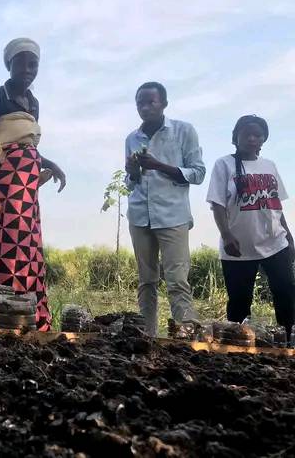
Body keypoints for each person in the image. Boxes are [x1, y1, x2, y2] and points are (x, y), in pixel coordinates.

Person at [0, 38, 66, 331]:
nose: (28, 69)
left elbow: (25, 144)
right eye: (21, 62)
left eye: (33, 63)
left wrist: (49, 162)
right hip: (0, 185)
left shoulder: (33, 103)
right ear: (9, 65)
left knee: (27, 250)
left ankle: (26, 320)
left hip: (25, 192)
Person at [125, 81, 205, 336]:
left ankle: (186, 335)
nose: (145, 108)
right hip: (140, 216)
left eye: (151, 102)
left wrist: (159, 165)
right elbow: (130, 184)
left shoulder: (183, 131)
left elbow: (198, 172)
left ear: (164, 104)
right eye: (140, 103)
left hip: (173, 216)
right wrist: (133, 172)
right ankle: (147, 336)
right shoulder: (132, 138)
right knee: (146, 281)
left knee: (177, 280)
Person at [206, 115, 295, 330]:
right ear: (235, 137)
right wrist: (226, 235)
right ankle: (236, 349)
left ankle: (288, 341)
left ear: (264, 139)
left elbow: (275, 204)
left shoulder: (270, 165)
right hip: (238, 247)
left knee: (286, 293)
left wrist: (289, 235)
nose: (252, 138)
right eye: (247, 134)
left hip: (275, 242)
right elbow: (217, 205)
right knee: (239, 303)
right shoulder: (224, 164)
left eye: (258, 135)